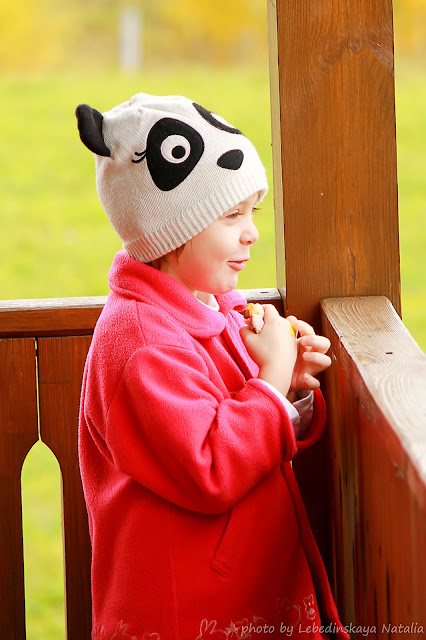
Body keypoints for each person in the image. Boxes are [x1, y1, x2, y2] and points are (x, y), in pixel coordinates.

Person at [76, 93, 349, 640]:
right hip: (185, 613)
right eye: (230, 215)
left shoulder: (210, 309)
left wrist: (287, 385)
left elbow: (237, 419)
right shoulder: (142, 346)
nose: (252, 232)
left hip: (239, 593)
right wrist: (270, 379)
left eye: (251, 212)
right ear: (174, 231)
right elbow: (210, 466)